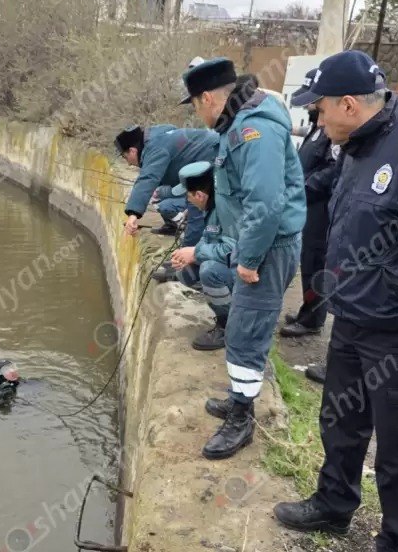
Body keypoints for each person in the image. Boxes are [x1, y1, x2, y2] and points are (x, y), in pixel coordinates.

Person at [273, 50, 398, 552]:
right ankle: (333, 505)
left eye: (318, 108)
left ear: (347, 104)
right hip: (352, 318)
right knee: (340, 421)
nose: (315, 120)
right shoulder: (357, 147)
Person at [181, 58, 306, 460]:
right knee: (241, 326)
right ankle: (239, 400)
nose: (197, 113)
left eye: (196, 105)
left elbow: (266, 204)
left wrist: (248, 259)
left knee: (245, 331)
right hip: (258, 241)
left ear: (206, 99)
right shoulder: (239, 125)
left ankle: (242, 420)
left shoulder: (254, 130)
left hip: (267, 246)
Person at [280, 68, 338, 340]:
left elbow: (331, 170)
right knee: (308, 261)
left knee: (317, 263)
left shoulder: (331, 133)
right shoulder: (317, 126)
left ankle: (313, 319)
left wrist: (303, 187)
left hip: (319, 209)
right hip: (307, 206)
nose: (310, 107)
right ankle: (307, 311)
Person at [169, 161, 236, 351]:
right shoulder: (212, 206)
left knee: (209, 271)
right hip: (231, 266)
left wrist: (196, 253)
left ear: (199, 195)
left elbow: (233, 251)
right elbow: (208, 239)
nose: (188, 201)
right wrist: (188, 254)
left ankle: (229, 326)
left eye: (188, 196)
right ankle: (222, 301)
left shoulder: (226, 210)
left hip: (249, 273)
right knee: (186, 272)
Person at [117, 124, 216, 247]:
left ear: (133, 150)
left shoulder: (155, 147)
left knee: (195, 215)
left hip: (212, 161)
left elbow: (148, 178)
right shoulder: (157, 137)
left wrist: (133, 215)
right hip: (206, 164)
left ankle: (188, 261)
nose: (128, 164)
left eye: (126, 158)